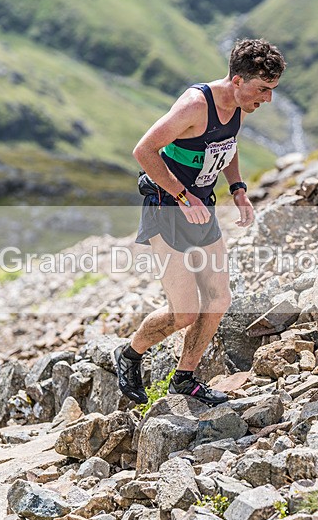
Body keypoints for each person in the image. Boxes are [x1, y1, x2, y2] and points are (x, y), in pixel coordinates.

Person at [114, 38, 286, 406]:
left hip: (201, 210)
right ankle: (129, 355)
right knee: (184, 311)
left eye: (272, 90)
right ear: (237, 81)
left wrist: (237, 188)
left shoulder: (241, 106)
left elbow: (228, 144)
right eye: (262, 89)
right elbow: (143, 150)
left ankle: (185, 378)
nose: (267, 99)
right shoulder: (195, 105)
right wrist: (182, 195)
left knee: (218, 299)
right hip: (166, 207)